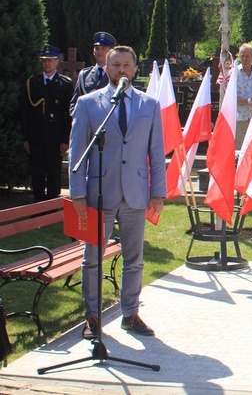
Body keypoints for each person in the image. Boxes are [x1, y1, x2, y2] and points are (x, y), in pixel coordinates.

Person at [69, 45, 166, 338]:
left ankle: (130, 313)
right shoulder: (89, 104)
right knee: (92, 258)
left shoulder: (149, 105)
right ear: (106, 68)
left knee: (134, 258)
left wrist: (157, 192)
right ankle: (93, 316)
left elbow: (156, 152)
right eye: (116, 65)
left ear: (135, 70)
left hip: (135, 193)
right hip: (98, 191)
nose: (121, 70)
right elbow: (77, 150)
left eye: (126, 65)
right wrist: (77, 193)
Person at [21, 45, 74, 201]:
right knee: (37, 173)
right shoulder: (33, 82)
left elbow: (68, 114)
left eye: (50, 60)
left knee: (53, 174)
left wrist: (65, 139)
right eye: (44, 61)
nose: (47, 64)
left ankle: (51, 208)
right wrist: (26, 137)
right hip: (36, 137)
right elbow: (26, 111)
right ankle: (38, 206)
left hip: (55, 139)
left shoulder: (65, 84)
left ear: (57, 61)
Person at [69, 31, 117, 114]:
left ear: (111, 51)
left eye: (103, 48)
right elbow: (75, 102)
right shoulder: (84, 75)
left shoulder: (117, 74)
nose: (99, 52)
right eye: (97, 48)